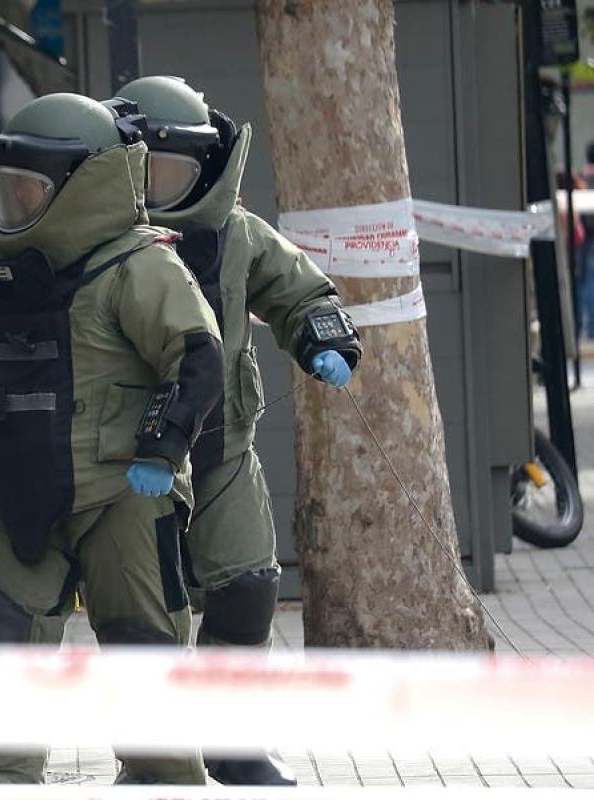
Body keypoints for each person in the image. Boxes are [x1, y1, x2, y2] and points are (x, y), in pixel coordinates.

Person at [0, 93, 225, 785]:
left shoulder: (140, 267)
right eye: (7, 188)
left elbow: (197, 360)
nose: (15, 203)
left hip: (125, 491)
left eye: (30, 189)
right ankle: (6, 774)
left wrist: (163, 448)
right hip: (25, 491)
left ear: (87, 185)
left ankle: (163, 777)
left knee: (142, 638)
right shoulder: (6, 279)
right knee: (5, 630)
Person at [114, 76, 363, 786]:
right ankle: (154, 759)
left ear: (205, 166)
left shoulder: (236, 233)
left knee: (248, 587)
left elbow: (298, 288)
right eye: (142, 170)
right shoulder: (99, 242)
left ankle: (232, 741)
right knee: (146, 614)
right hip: (126, 458)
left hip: (220, 446)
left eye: (170, 171)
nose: (155, 188)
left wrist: (323, 338)